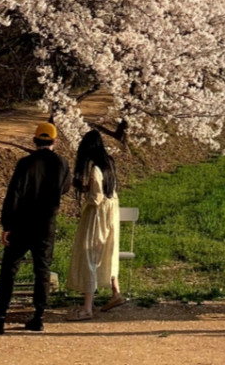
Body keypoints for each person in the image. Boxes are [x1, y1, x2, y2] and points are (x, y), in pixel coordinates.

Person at [0, 120, 71, 335]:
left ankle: (1, 317)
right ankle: (38, 316)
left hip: (22, 223)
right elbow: (65, 188)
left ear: (34, 140)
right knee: (42, 269)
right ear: (55, 141)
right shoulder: (62, 163)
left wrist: (7, 224)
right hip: (46, 224)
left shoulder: (25, 163)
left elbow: (14, 193)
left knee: (9, 270)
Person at [67, 130, 123, 319]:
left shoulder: (95, 169)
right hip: (112, 212)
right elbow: (107, 191)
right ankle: (115, 292)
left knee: (90, 254)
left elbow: (97, 197)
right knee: (108, 251)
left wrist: (86, 194)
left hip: (98, 216)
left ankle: (87, 307)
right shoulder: (109, 163)